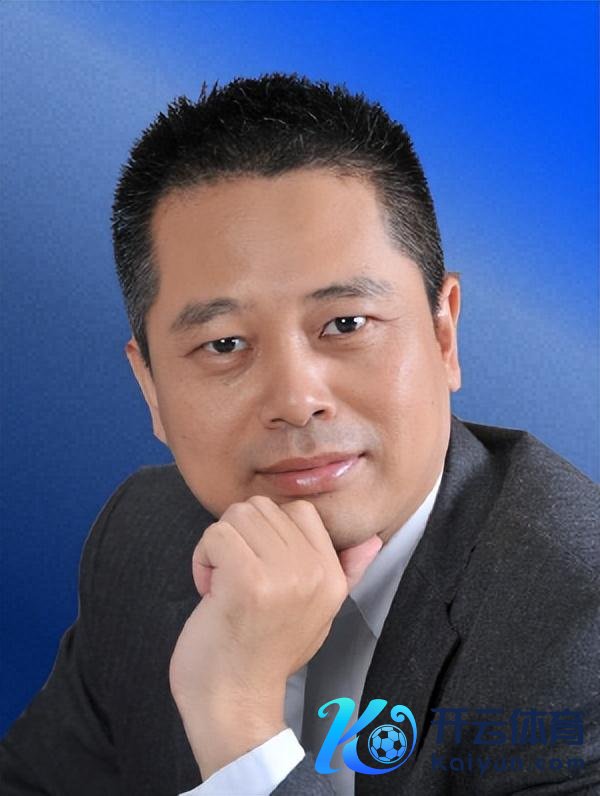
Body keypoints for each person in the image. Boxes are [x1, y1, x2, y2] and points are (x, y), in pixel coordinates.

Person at [1, 73, 598, 796]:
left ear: (444, 335)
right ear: (151, 387)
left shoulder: (580, 625)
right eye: (223, 344)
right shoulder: (144, 537)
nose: (295, 400)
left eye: (345, 324)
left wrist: (235, 718)